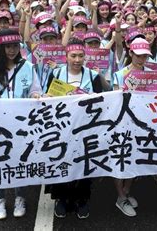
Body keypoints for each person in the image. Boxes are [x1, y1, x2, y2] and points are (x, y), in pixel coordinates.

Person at [0, 29, 42, 220]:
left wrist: (36, 96)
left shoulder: (28, 67)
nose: (12, 50)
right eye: (7, 47)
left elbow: (34, 90)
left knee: (19, 159)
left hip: (21, 124)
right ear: (0, 47)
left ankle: (20, 196)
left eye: (15, 46)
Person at [45, 37, 104, 219]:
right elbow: (48, 96)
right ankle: (62, 199)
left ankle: (82, 199)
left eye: (80, 56)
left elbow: (101, 101)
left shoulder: (92, 76)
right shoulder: (56, 74)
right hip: (62, 128)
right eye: (73, 56)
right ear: (66, 56)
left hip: (85, 128)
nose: (77, 60)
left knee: (84, 163)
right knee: (62, 161)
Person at [112, 37, 153, 217]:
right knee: (120, 157)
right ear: (130, 53)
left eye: (144, 56)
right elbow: (113, 100)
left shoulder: (152, 74)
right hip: (123, 123)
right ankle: (121, 196)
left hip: (143, 123)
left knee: (136, 158)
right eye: (138, 55)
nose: (141, 59)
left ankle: (127, 190)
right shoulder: (120, 75)